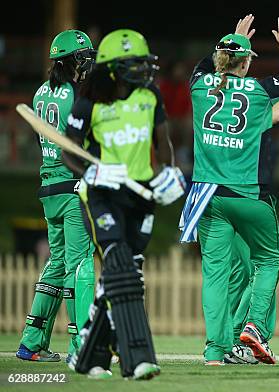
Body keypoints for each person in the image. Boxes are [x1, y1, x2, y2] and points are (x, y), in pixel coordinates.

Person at [63, 29, 185, 380]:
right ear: (112, 68)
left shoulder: (149, 96)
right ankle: (136, 359)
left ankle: (89, 356)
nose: (142, 70)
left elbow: (162, 144)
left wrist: (168, 174)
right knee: (120, 264)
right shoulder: (90, 102)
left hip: (140, 195)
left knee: (123, 271)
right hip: (101, 194)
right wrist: (92, 172)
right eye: (133, 64)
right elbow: (69, 149)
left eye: (143, 63)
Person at [185, 15, 279, 365]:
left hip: (210, 198)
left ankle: (214, 350)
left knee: (215, 275)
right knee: (268, 260)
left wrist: (230, 41)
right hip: (250, 195)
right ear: (248, 61)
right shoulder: (255, 91)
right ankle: (253, 327)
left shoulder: (198, 86)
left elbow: (202, 67)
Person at [16, 30, 96, 364]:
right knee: (80, 264)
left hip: (48, 187)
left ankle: (31, 343)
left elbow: (44, 141)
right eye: (83, 56)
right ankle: (81, 343)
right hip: (72, 187)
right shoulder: (76, 96)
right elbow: (80, 145)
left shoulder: (39, 93)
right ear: (71, 60)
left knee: (57, 263)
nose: (87, 62)